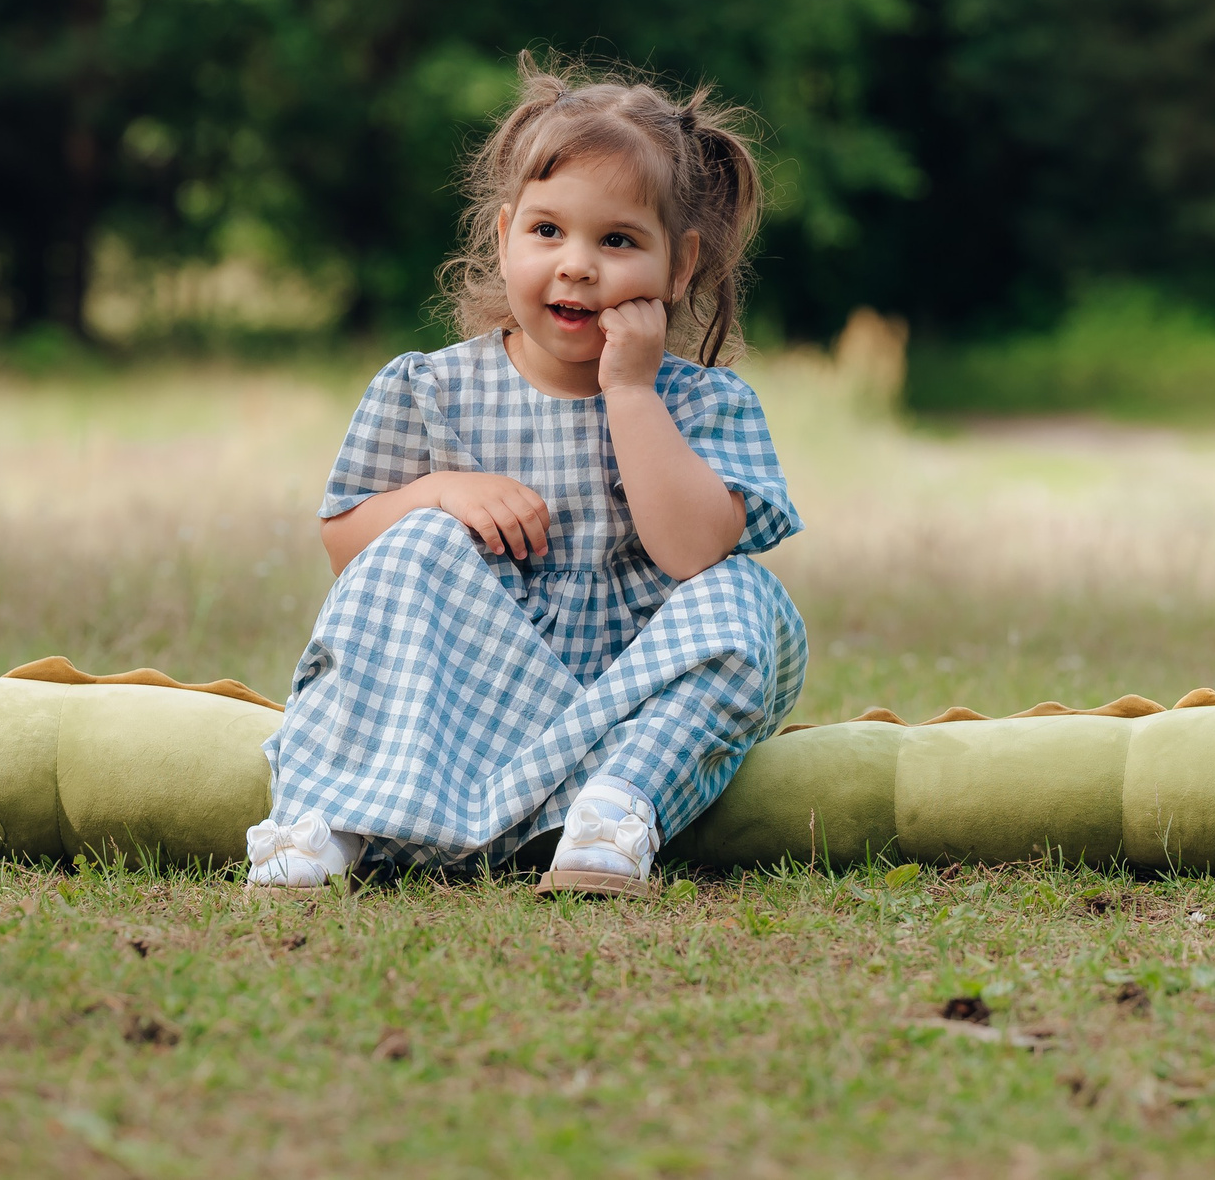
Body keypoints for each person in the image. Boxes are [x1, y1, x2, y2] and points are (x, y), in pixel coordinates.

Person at [246, 59, 806, 894]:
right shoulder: (430, 388)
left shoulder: (705, 404)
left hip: (630, 716)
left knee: (747, 598)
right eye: (548, 231)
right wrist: (437, 493)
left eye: (617, 240)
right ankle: (332, 816)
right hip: (478, 710)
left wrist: (630, 392)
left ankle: (612, 814)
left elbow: (693, 552)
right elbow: (347, 552)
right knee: (415, 540)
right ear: (505, 233)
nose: (577, 265)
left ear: (679, 266)